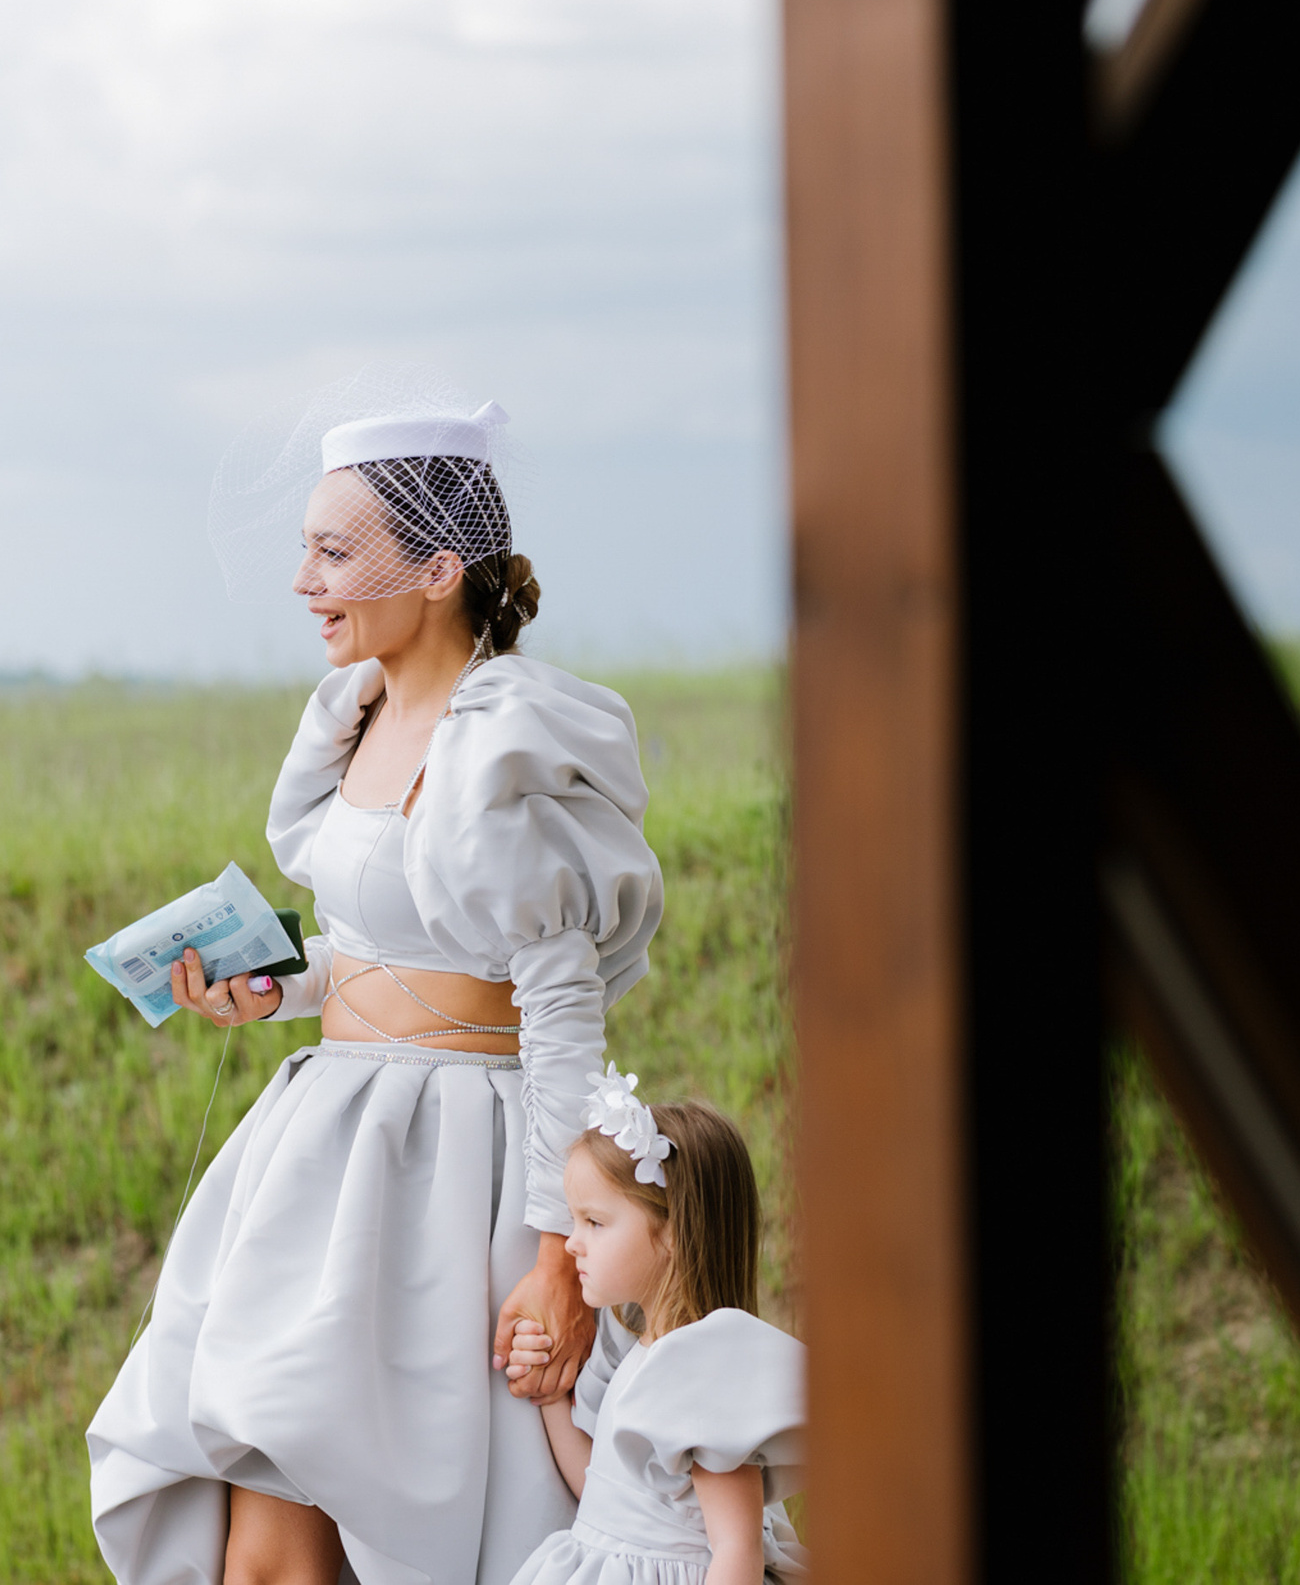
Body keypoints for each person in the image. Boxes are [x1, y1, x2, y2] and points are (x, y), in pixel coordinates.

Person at [87, 398, 665, 1585]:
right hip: (319, 1157)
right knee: (266, 1547)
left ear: (441, 568)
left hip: (461, 1180)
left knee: (400, 1534)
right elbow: (375, 945)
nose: (301, 579)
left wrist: (554, 1262)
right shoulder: (349, 716)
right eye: (303, 547)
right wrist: (279, 992)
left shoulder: (511, 742)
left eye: (332, 552)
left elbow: (558, 1019)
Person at [499, 1069, 806, 1585]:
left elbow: (737, 1551)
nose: (572, 1243)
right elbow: (604, 1494)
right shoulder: (645, 1354)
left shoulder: (705, 1371)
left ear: (673, 1235)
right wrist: (550, 1398)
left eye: (594, 1223)